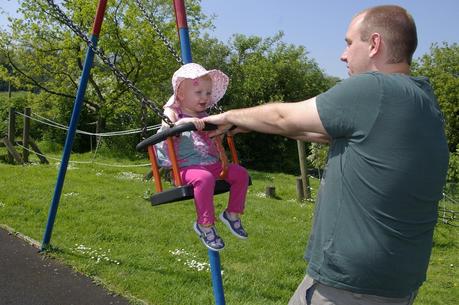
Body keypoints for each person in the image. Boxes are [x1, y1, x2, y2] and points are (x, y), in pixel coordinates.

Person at [204, 5, 449, 304]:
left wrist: (229, 114)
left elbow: (285, 117)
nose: (343, 55)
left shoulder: (376, 89)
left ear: (374, 44)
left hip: (349, 287)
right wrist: (246, 124)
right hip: (395, 282)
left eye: (349, 43)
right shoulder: (421, 98)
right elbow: (319, 132)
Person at [156, 63, 250, 252]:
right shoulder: (173, 112)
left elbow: (215, 139)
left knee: (240, 174)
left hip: (212, 165)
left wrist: (221, 132)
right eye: (199, 92)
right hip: (184, 169)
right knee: (204, 178)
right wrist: (184, 122)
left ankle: (232, 214)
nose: (205, 97)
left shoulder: (207, 116)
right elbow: (166, 129)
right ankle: (205, 225)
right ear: (181, 95)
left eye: (208, 93)